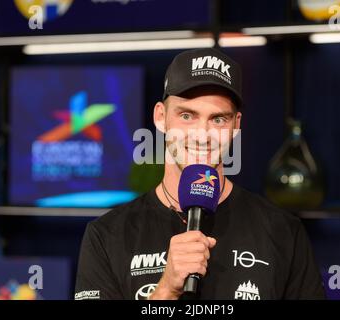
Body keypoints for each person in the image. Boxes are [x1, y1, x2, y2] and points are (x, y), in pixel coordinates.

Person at [74, 48, 326, 300]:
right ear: (161, 117)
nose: (202, 135)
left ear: (236, 125)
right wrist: (166, 289)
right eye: (187, 116)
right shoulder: (107, 235)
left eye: (218, 119)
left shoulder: (283, 231)